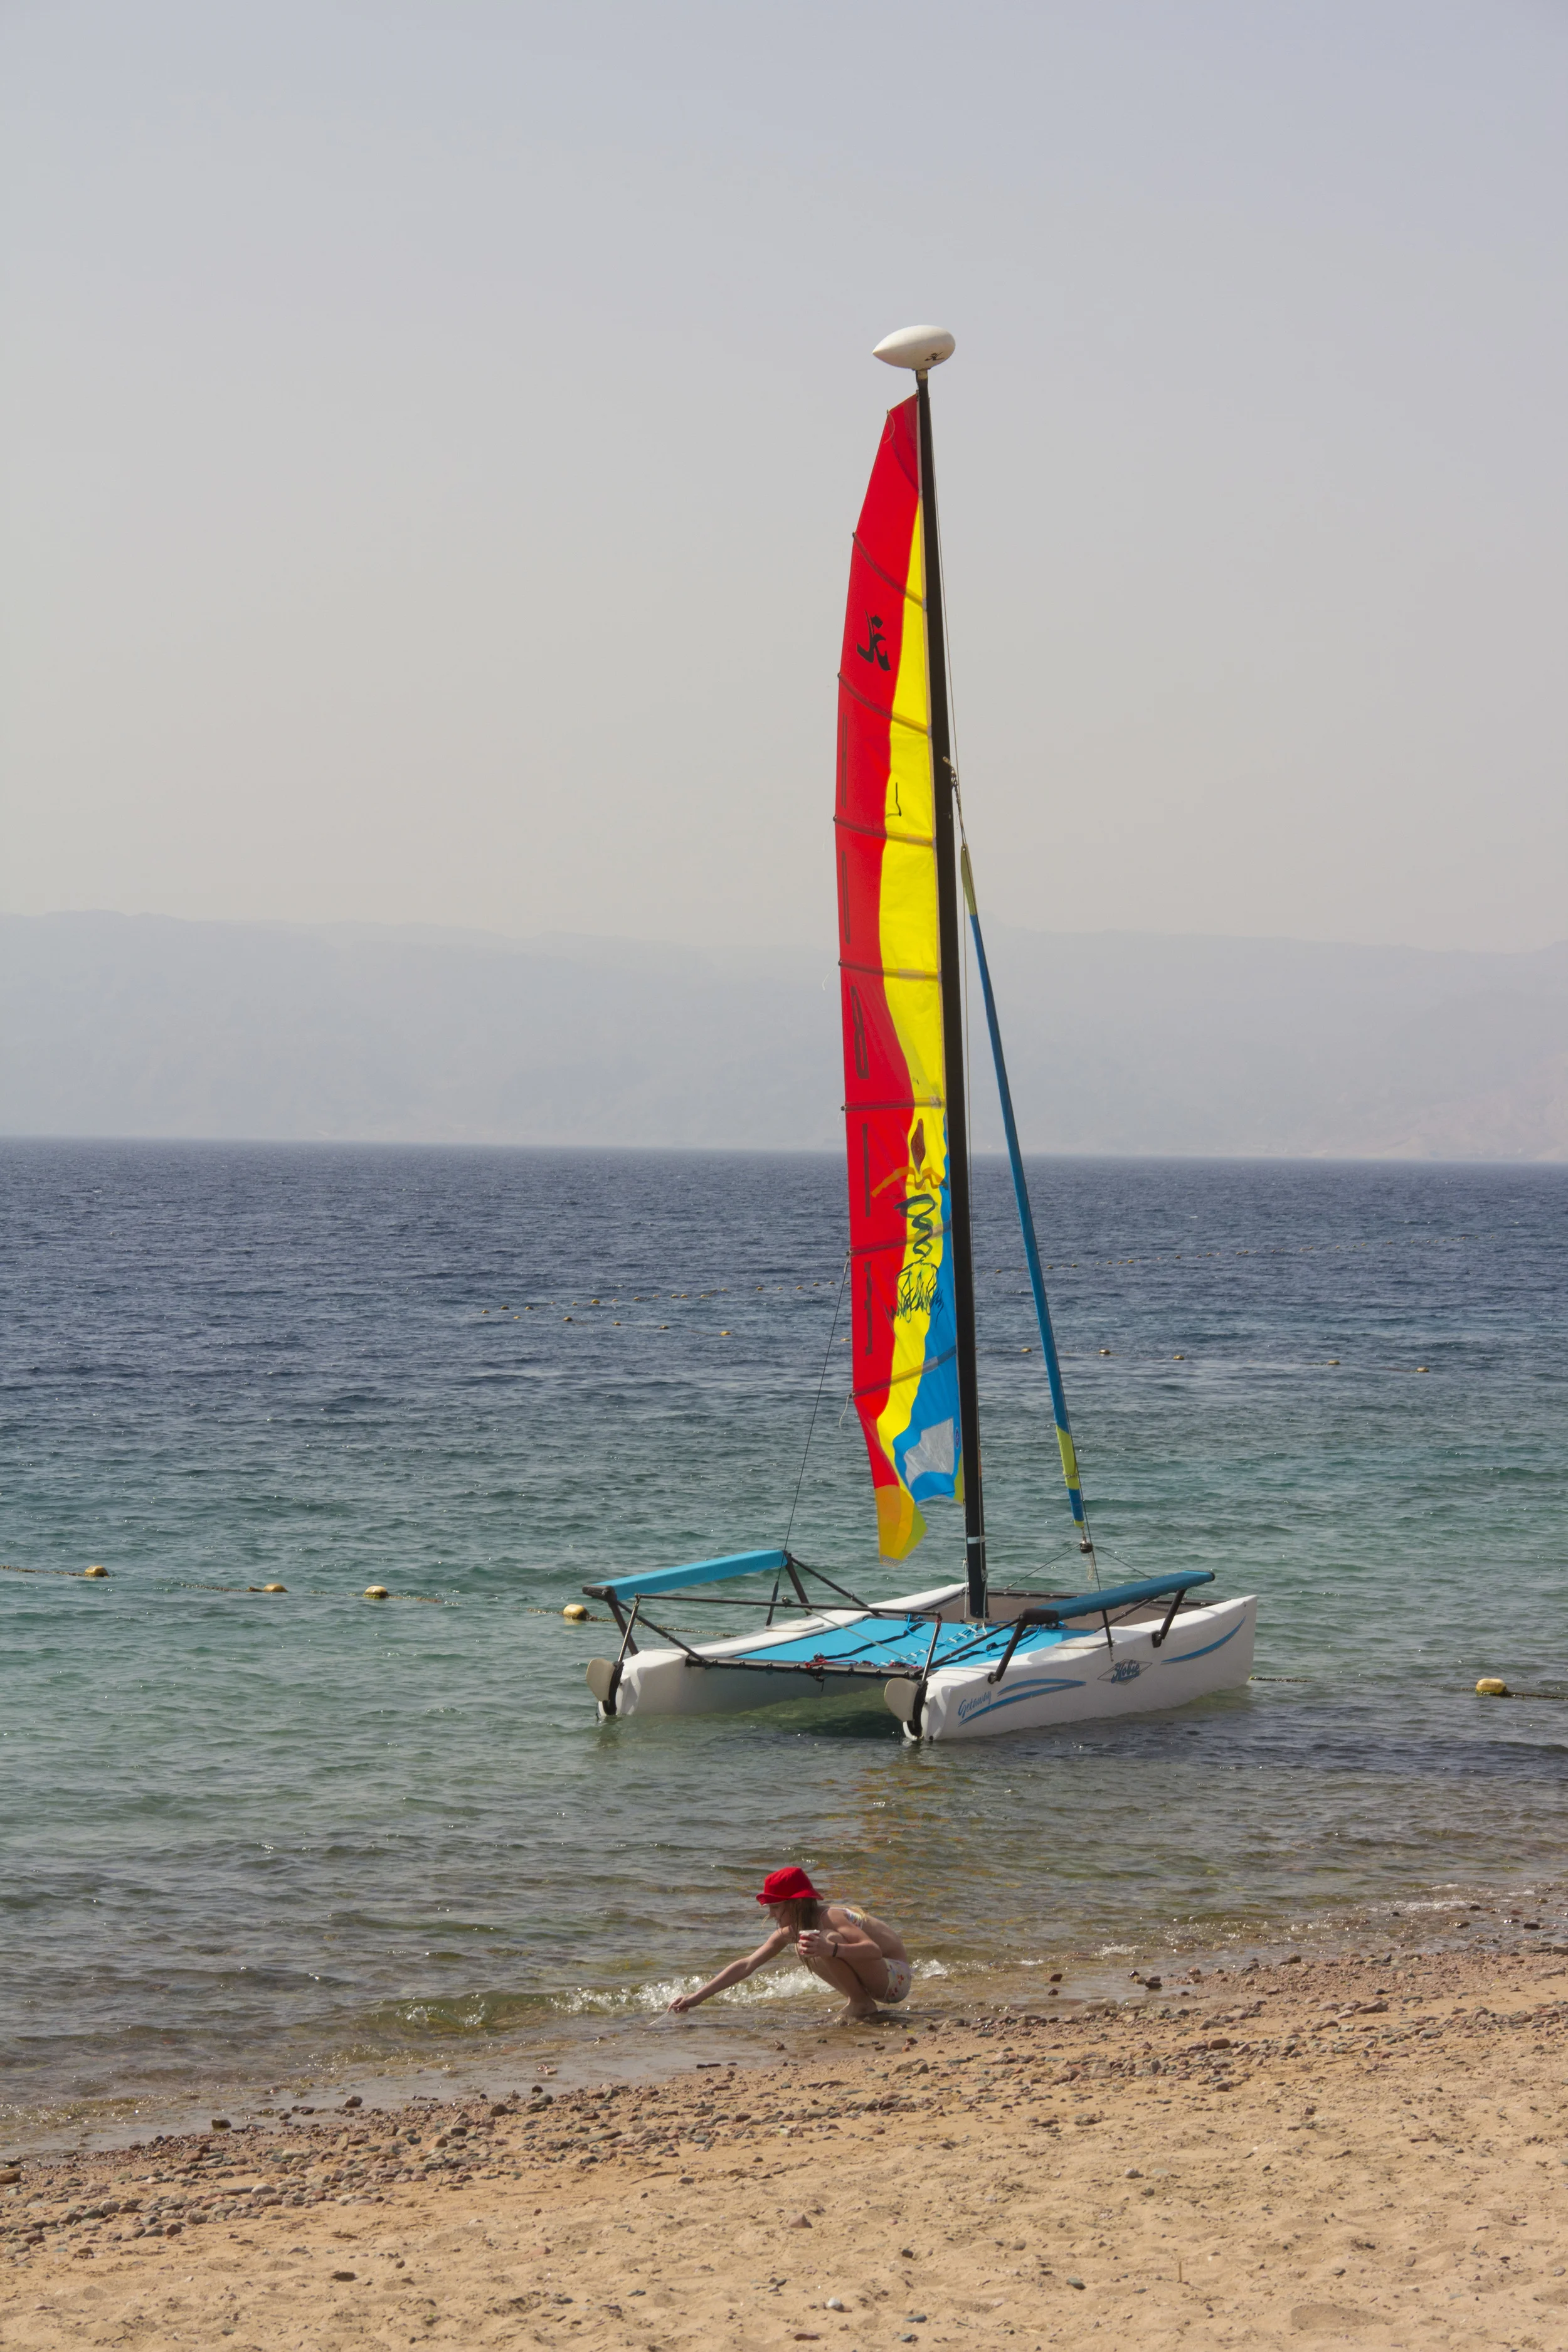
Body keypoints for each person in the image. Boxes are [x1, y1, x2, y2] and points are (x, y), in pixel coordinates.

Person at [667, 1867, 913, 2022]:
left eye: (775, 1907)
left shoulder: (831, 1916)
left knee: (823, 1940)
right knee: (808, 1943)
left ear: (795, 1904)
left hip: (895, 1977)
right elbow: (747, 1964)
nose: (772, 1914)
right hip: (877, 1979)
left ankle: (861, 2004)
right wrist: (697, 1998)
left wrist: (832, 1950)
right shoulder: (792, 1931)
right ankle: (859, 2001)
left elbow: (873, 1951)